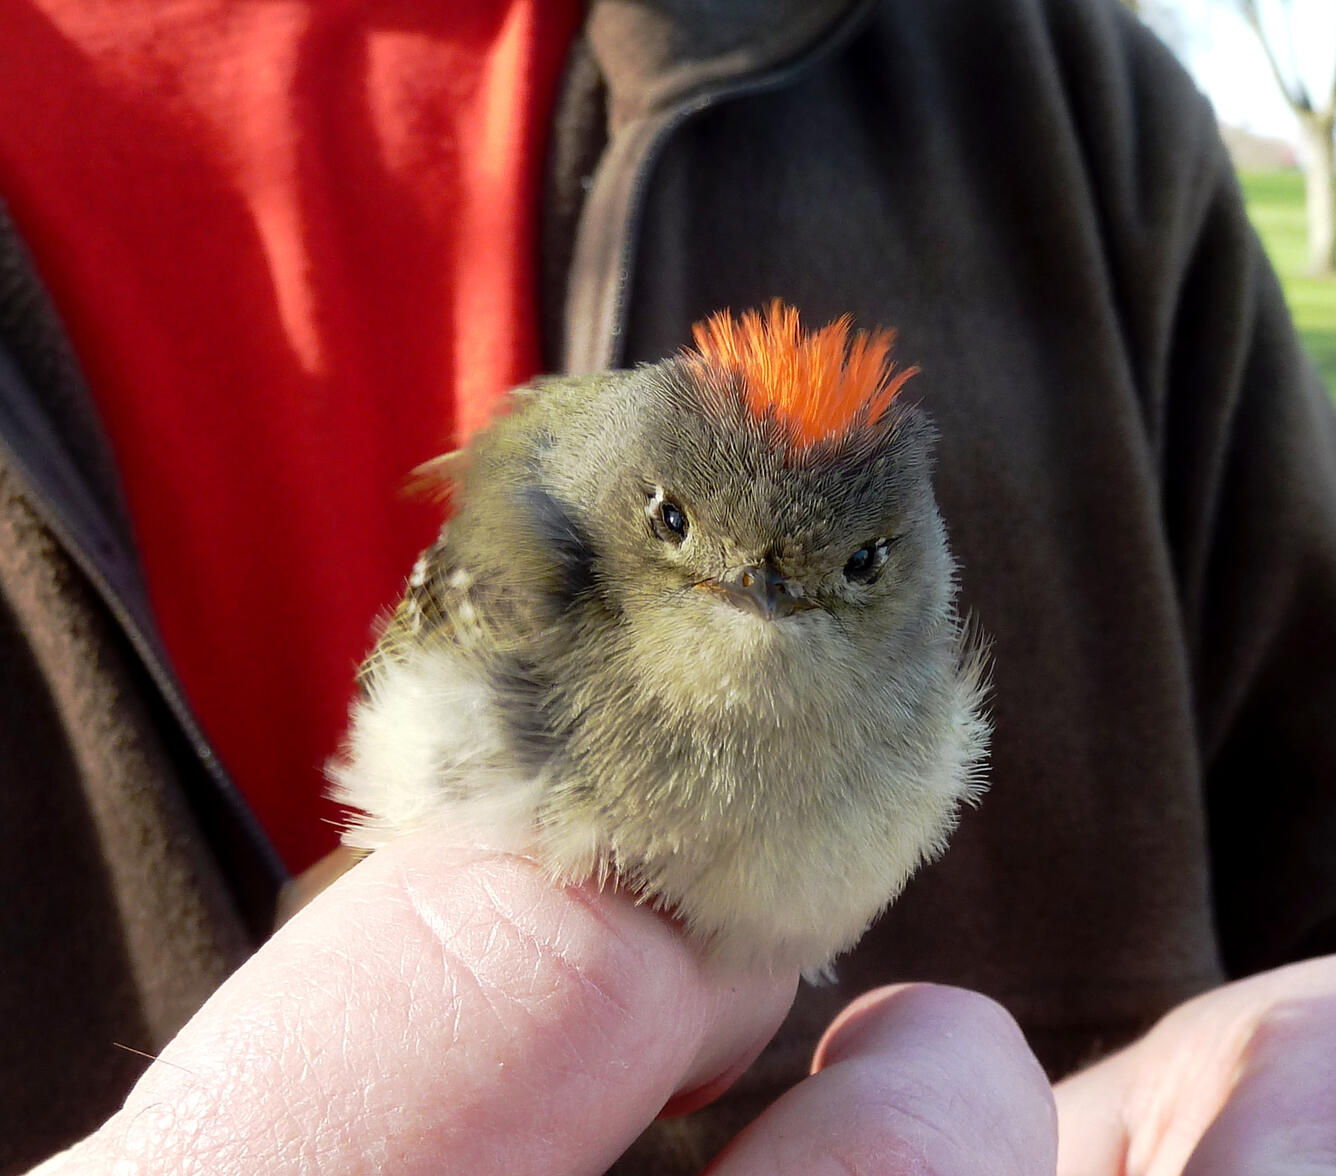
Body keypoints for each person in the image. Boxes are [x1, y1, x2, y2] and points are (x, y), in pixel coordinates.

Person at [2, 0, 1333, 1172]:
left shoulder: (1054, 95)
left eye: (846, 570)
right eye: (682, 528)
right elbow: (401, 688)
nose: (751, 588)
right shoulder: (539, 565)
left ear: (906, 572)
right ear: (641, 503)